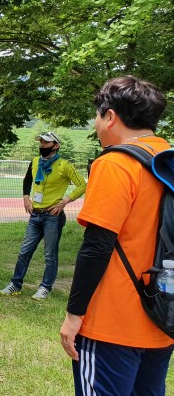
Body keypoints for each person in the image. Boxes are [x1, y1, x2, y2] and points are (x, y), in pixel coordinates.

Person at [59, 76, 173, 395]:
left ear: (110, 116)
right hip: (162, 314)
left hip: (113, 321)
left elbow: (97, 246)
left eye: (97, 117)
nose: (96, 125)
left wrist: (74, 315)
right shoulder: (167, 160)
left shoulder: (116, 163)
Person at [0, 131, 86, 300]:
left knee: (49, 254)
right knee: (24, 251)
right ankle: (15, 284)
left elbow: (83, 185)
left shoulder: (64, 165)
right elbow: (27, 180)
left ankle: (45, 287)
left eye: (46, 142)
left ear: (56, 145)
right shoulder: (35, 161)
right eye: (41, 142)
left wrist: (64, 201)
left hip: (53, 217)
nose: (42, 145)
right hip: (35, 215)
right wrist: (26, 197)